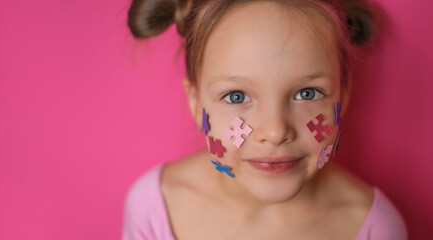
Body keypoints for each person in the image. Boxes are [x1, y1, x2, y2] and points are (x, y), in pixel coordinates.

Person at [122, 0, 408, 239]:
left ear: (341, 99)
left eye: (307, 93)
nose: (274, 132)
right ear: (197, 106)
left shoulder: (373, 227)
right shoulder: (155, 206)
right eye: (236, 97)